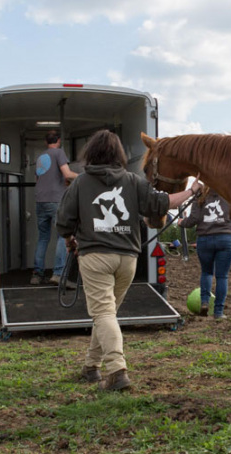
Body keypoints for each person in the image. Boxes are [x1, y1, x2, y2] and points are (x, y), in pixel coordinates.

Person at [57, 129, 201, 391]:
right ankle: (91, 366)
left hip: (95, 257)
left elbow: (64, 221)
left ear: (90, 153)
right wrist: (192, 190)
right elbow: (163, 203)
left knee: (103, 313)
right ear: (118, 155)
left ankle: (117, 371)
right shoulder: (133, 181)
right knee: (107, 314)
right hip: (127, 260)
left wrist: (70, 241)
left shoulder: (80, 183)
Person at [178, 187, 231, 320]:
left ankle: (204, 302)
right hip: (225, 238)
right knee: (222, 276)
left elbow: (193, 219)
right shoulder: (228, 193)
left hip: (205, 239)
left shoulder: (200, 195)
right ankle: (219, 312)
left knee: (207, 272)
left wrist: (182, 222)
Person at [32, 130, 78, 286]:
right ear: (58, 140)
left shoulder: (40, 157)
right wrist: (83, 177)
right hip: (55, 200)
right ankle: (58, 274)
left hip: (40, 201)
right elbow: (67, 174)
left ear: (46, 142)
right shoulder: (58, 153)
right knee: (62, 235)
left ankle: (37, 274)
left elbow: (38, 179)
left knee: (43, 237)